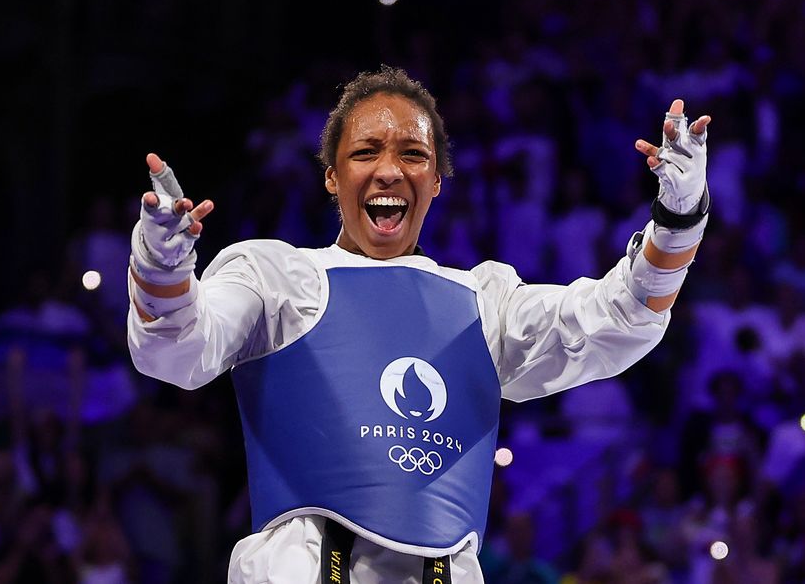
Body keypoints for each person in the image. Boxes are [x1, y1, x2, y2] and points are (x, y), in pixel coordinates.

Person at [125, 66, 711, 583]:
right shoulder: (276, 276)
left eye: (412, 154)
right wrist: (162, 265)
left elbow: (620, 317)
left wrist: (678, 219)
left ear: (435, 180)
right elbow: (177, 353)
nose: (388, 170)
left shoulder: (484, 302)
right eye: (365, 152)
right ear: (331, 177)